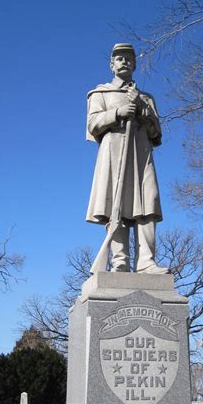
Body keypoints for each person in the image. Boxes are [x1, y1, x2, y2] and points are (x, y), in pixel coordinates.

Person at [86, 43, 168, 274]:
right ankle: (120, 260)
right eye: (119, 58)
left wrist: (142, 109)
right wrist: (117, 113)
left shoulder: (146, 98)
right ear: (112, 65)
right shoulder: (100, 93)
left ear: (135, 64)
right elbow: (92, 125)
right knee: (116, 205)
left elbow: (156, 133)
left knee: (147, 203)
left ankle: (146, 261)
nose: (124, 62)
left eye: (129, 58)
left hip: (141, 155)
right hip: (113, 155)